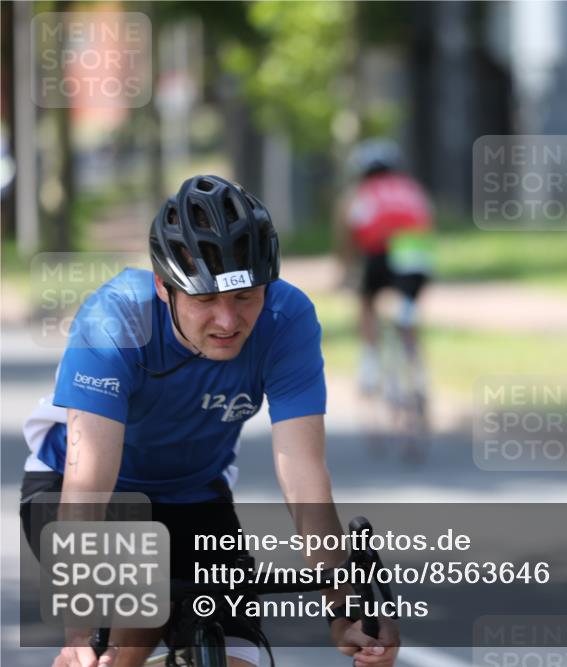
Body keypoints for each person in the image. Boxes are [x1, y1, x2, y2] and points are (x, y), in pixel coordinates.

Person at [20, 175, 400, 667]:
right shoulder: (115, 320)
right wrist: (80, 632)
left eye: (244, 297)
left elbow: (305, 477)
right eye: (204, 300)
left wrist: (345, 608)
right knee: (129, 629)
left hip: (194, 497)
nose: (227, 320)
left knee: (243, 659)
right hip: (82, 494)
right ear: (163, 286)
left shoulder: (287, 319)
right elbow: (88, 480)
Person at [336, 139, 434, 404]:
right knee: (408, 308)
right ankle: (417, 371)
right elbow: (426, 223)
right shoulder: (411, 189)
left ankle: (369, 365)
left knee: (366, 300)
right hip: (414, 253)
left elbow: (347, 234)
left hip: (378, 252)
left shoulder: (358, 193)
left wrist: (345, 272)